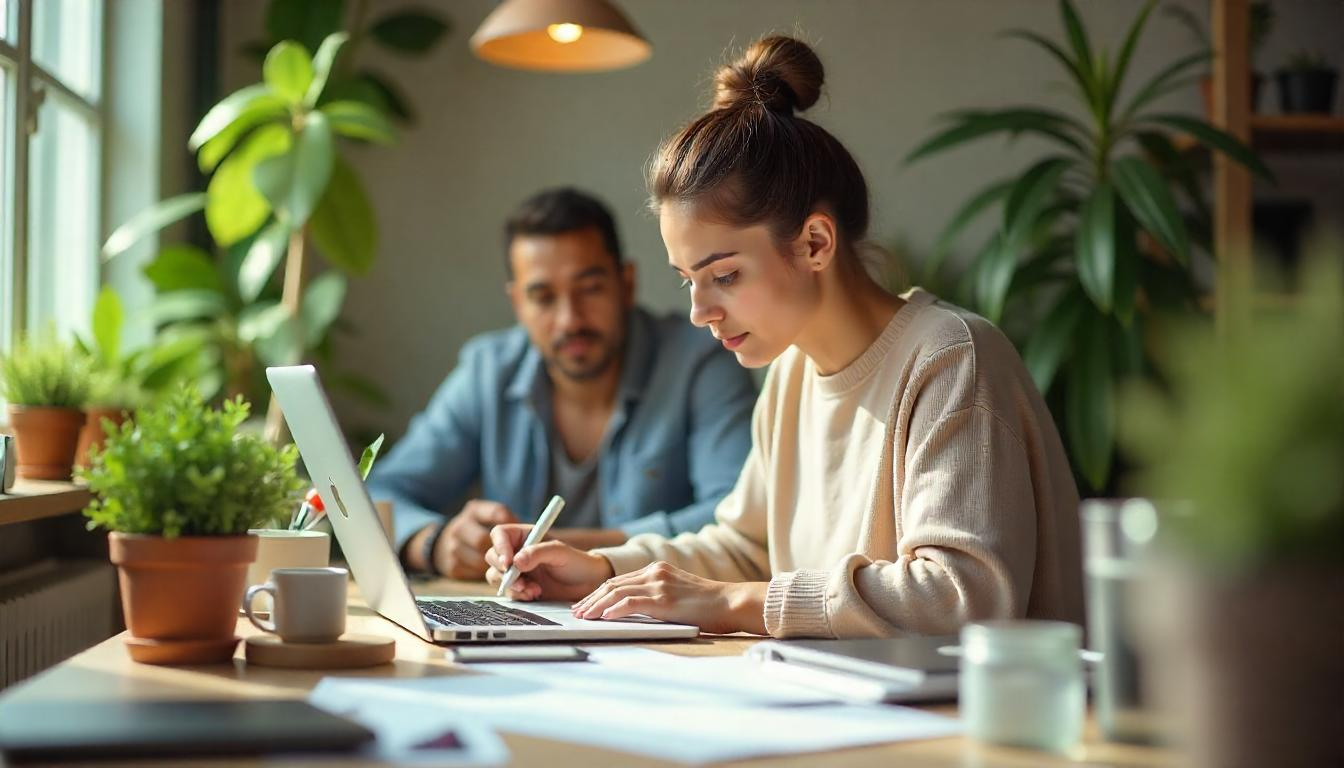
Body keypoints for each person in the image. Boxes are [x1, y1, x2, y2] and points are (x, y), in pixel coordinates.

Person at [484, 37, 1085, 638]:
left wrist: (731, 604)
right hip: (850, 711)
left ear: (815, 243)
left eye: (723, 276)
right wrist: (601, 570)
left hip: (979, 724)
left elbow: (960, 594)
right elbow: (746, 550)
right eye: (688, 280)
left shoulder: (952, 360)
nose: (699, 311)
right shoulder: (792, 373)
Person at [368, 187, 757, 580]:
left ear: (626, 284)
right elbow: (378, 492)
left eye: (589, 289)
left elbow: (743, 517)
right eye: (543, 297)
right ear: (518, 303)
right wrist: (434, 544)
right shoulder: (488, 371)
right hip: (523, 622)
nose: (570, 319)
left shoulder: (701, 361)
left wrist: (569, 550)